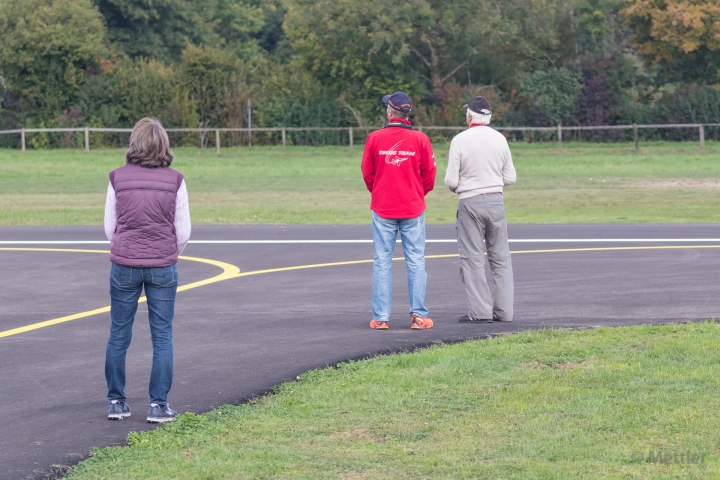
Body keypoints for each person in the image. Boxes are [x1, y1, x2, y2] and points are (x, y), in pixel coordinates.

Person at [103, 117, 191, 423]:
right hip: (162, 267)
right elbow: (183, 232)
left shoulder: (117, 178)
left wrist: (127, 248)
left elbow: (109, 228)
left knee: (118, 333)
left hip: (124, 265)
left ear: (134, 143)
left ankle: (116, 401)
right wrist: (166, 254)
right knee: (162, 335)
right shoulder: (176, 180)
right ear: (163, 144)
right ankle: (158, 405)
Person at [361, 91, 437, 330]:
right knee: (415, 260)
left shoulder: (374, 138)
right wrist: (416, 193)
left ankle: (381, 317)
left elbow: (367, 173)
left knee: (382, 261)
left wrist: (380, 191)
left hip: (383, 207)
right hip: (412, 207)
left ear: (390, 112)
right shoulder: (421, 140)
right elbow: (429, 176)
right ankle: (418, 316)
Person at [444, 96, 516, 323]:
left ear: (470, 115)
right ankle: (505, 312)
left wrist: (463, 186)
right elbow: (510, 177)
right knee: (501, 257)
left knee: (473, 258)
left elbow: (450, 181)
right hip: (496, 201)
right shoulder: (499, 139)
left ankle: (480, 312)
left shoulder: (460, 140)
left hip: (470, 202)